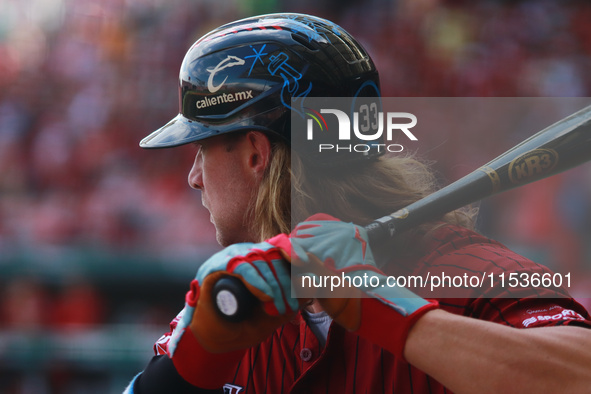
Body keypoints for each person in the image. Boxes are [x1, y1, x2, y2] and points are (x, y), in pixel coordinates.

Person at [124, 13, 591, 394]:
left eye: (202, 150)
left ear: (254, 154)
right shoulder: (242, 300)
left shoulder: (461, 269)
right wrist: (183, 373)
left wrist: (381, 304)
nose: (193, 177)